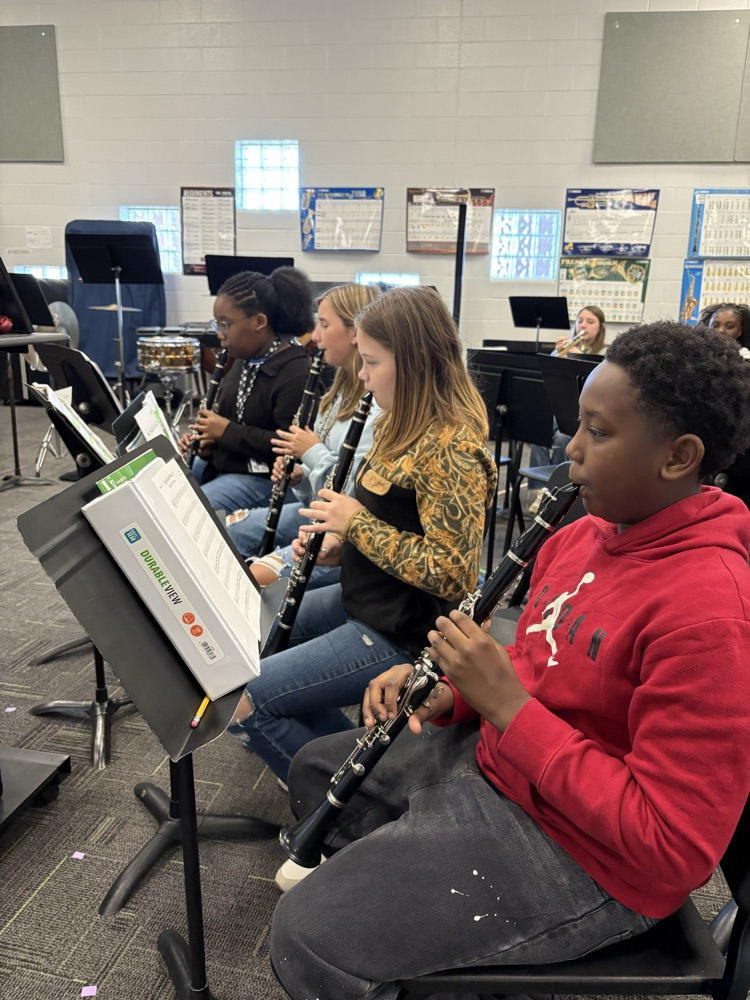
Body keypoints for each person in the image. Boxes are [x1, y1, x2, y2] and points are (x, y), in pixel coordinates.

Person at [270, 319, 750, 1000]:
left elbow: (669, 843)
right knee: (314, 767)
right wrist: (455, 694)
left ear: (678, 458)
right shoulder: (582, 534)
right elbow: (538, 662)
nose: (572, 454)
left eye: (599, 434)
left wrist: (507, 709)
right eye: (576, 426)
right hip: (508, 767)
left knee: (305, 933)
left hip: (593, 857)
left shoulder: (710, 612)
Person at [227, 285, 496, 794]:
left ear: (414, 363)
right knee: (252, 630)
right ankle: (362, 760)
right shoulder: (399, 423)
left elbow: (453, 572)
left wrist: (356, 526)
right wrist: (340, 547)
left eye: (371, 362)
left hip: (408, 629)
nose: (363, 375)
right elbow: (394, 526)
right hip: (369, 600)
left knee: (239, 698)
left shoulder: (452, 446)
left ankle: (357, 800)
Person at [225, 283, 381, 594]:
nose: (316, 336)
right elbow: (316, 497)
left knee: (252, 576)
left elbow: (352, 497)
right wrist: (298, 477)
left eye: (324, 324)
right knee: (231, 530)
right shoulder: (337, 391)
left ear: (355, 332)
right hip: (320, 514)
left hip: (348, 535)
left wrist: (311, 453)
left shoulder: (376, 405)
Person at [178, 267, 313, 513]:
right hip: (230, 463)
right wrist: (209, 444)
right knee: (169, 488)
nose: (219, 334)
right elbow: (232, 420)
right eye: (217, 324)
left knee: (189, 510)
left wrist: (225, 431)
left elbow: (294, 450)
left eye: (225, 324)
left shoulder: (297, 373)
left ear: (259, 322)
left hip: (265, 479)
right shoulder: (244, 359)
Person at [528, 305, 607, 510]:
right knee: (540, 431)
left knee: (562, 438)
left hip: (584, 416)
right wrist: (558, 357)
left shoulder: (605, 354)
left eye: (590, 322)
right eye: (580, 320)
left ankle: (560, 489)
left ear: (601, 327)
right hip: (563, 407)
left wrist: (576, 357)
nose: (584, 325)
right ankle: (538, 492)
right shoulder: (568, 347)